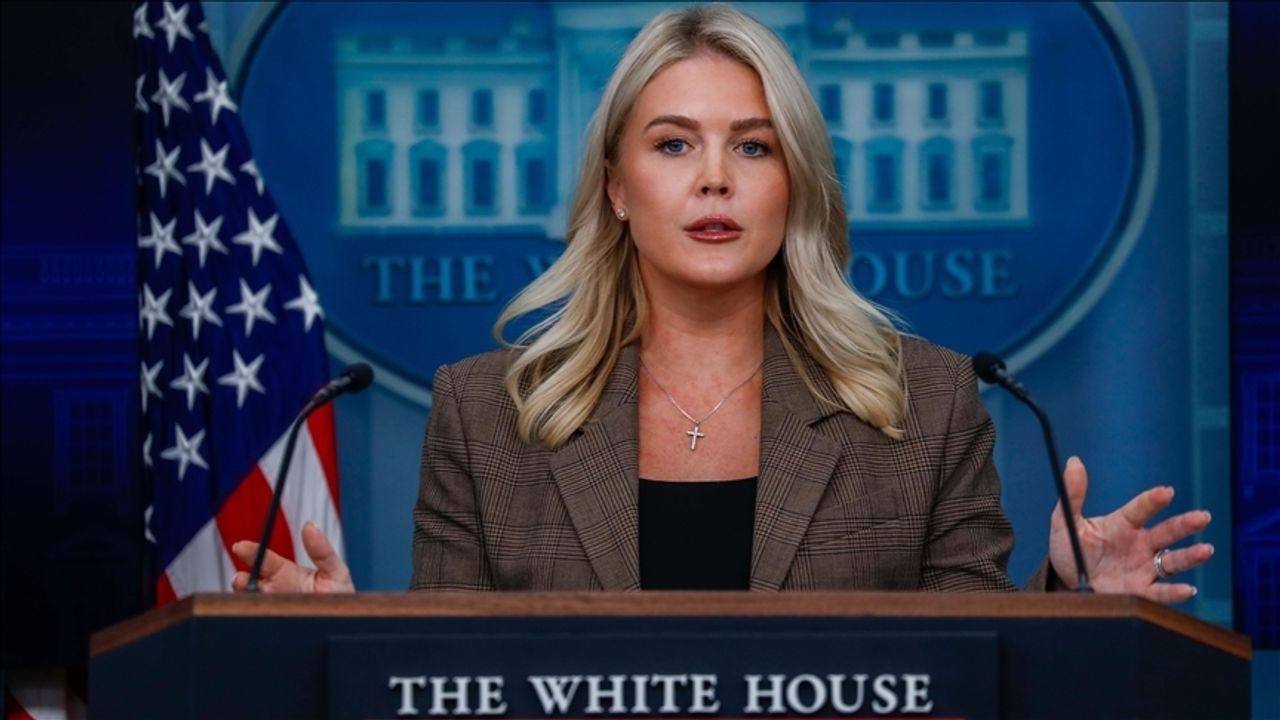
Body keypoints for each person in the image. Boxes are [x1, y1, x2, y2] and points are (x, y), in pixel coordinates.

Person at [233, 4, 1212, 599]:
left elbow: (966, 671)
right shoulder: (487, 413)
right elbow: (450, 683)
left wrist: (1067, 593)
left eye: (752, 146)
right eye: (672, 144)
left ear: (795, 183)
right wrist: (344, 641)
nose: (714, 178)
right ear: (616, 187)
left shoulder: (926, 404)